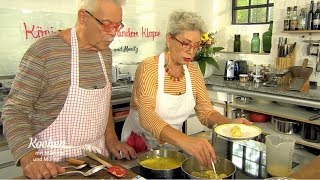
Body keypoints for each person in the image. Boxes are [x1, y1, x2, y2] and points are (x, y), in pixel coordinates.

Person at [1, 0, 137, 179]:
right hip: (52, 164)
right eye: (106, 25)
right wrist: (29, 158)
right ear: (83, 17)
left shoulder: (105, 53)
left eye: (117, 25)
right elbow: (14, 111)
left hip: (97, 160)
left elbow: (104, 104)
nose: (113, 33)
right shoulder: (44, 52)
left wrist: (111, 139)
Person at [121, 9, 251, 168]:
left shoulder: (194, 72)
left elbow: (206, 112)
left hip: (172, 146)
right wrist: (185, 140)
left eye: (196, 45)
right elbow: (147, 115)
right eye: (185, 43)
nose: (191, 51)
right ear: (169, 40)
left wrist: (230, 124)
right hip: (138, 147)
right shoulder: (150, 67)